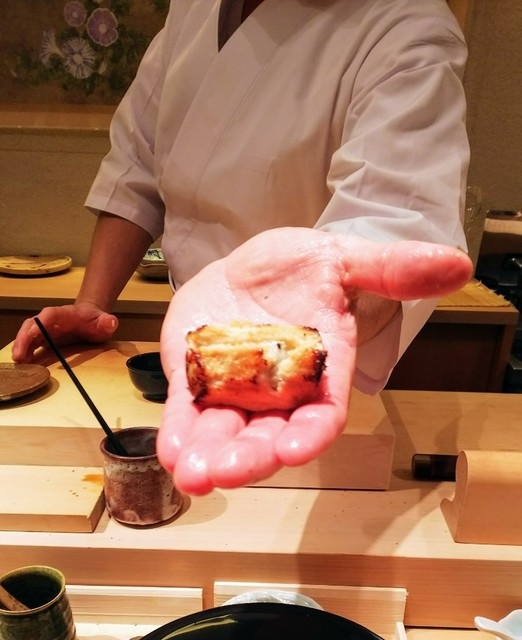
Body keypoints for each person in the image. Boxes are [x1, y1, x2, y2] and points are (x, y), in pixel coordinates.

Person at [13, 0, 473, 495]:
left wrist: (304, 336)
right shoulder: (193, 7)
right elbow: (137, 163)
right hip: (198, 333)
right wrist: (92, 303)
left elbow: (391, 226)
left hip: (311, 362)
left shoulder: (407, 27)